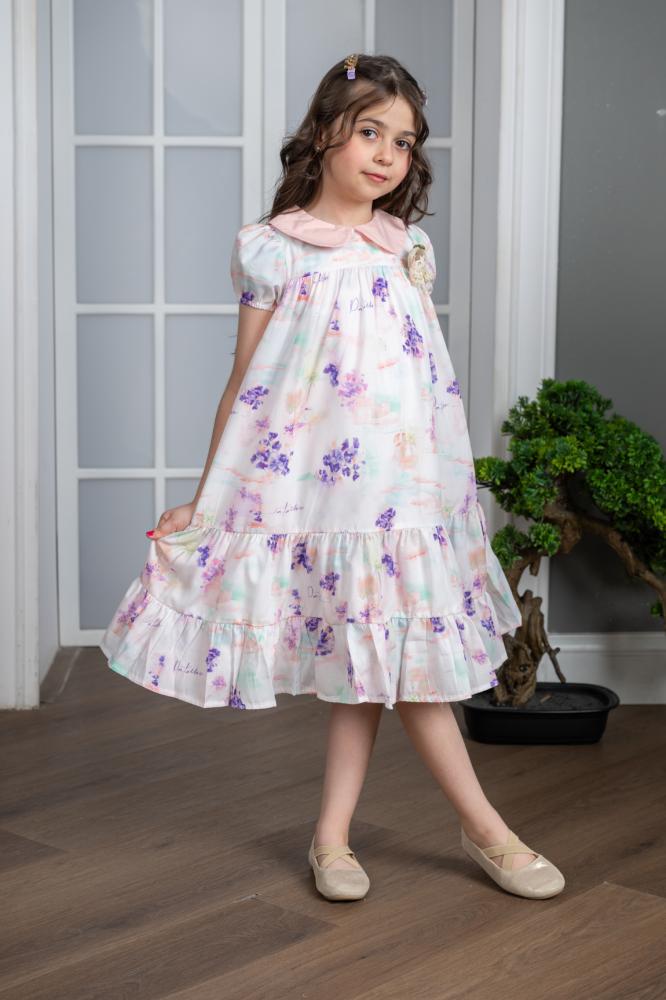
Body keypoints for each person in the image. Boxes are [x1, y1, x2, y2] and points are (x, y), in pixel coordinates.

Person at [100, 53, 565, 903]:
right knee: (389, 664)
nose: (388, 155)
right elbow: (246, 381)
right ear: (324, 134)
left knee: (377, 664)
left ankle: (333, 839)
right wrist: (207, 499)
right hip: (326, 496)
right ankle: (485, 830)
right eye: (370, 132)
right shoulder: (272, 249)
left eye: (405, 142)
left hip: (408, 495)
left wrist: (447, 489)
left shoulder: (408, 246)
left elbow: (420, 376)